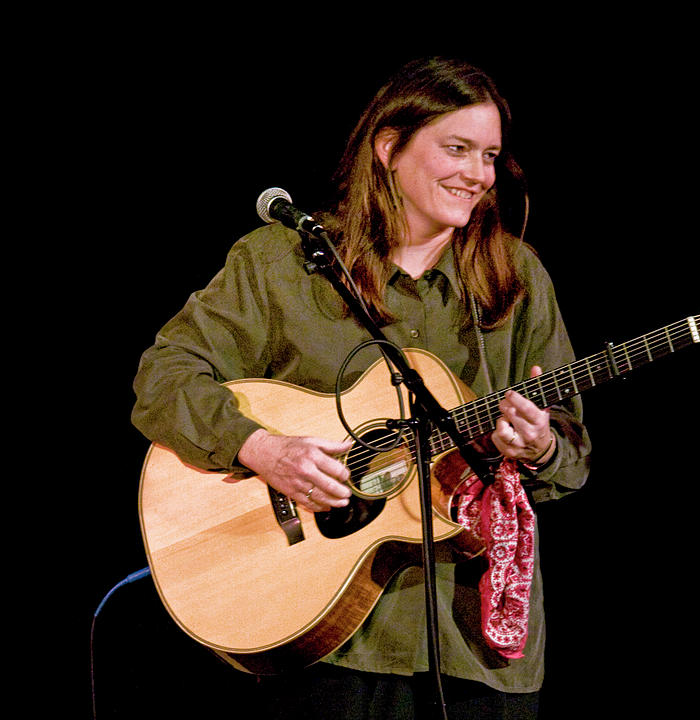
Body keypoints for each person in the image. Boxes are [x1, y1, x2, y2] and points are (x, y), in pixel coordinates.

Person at [132, 56, 591, 719]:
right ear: (389, 149)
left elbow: (570, 459)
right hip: (325, 647)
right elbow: (163, 376)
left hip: (474, 649)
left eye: (489, 156)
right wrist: (259, 447)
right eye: (456, 149)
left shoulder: (517, 281)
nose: (477, 174)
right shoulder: (282, 264)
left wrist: (543, 447)